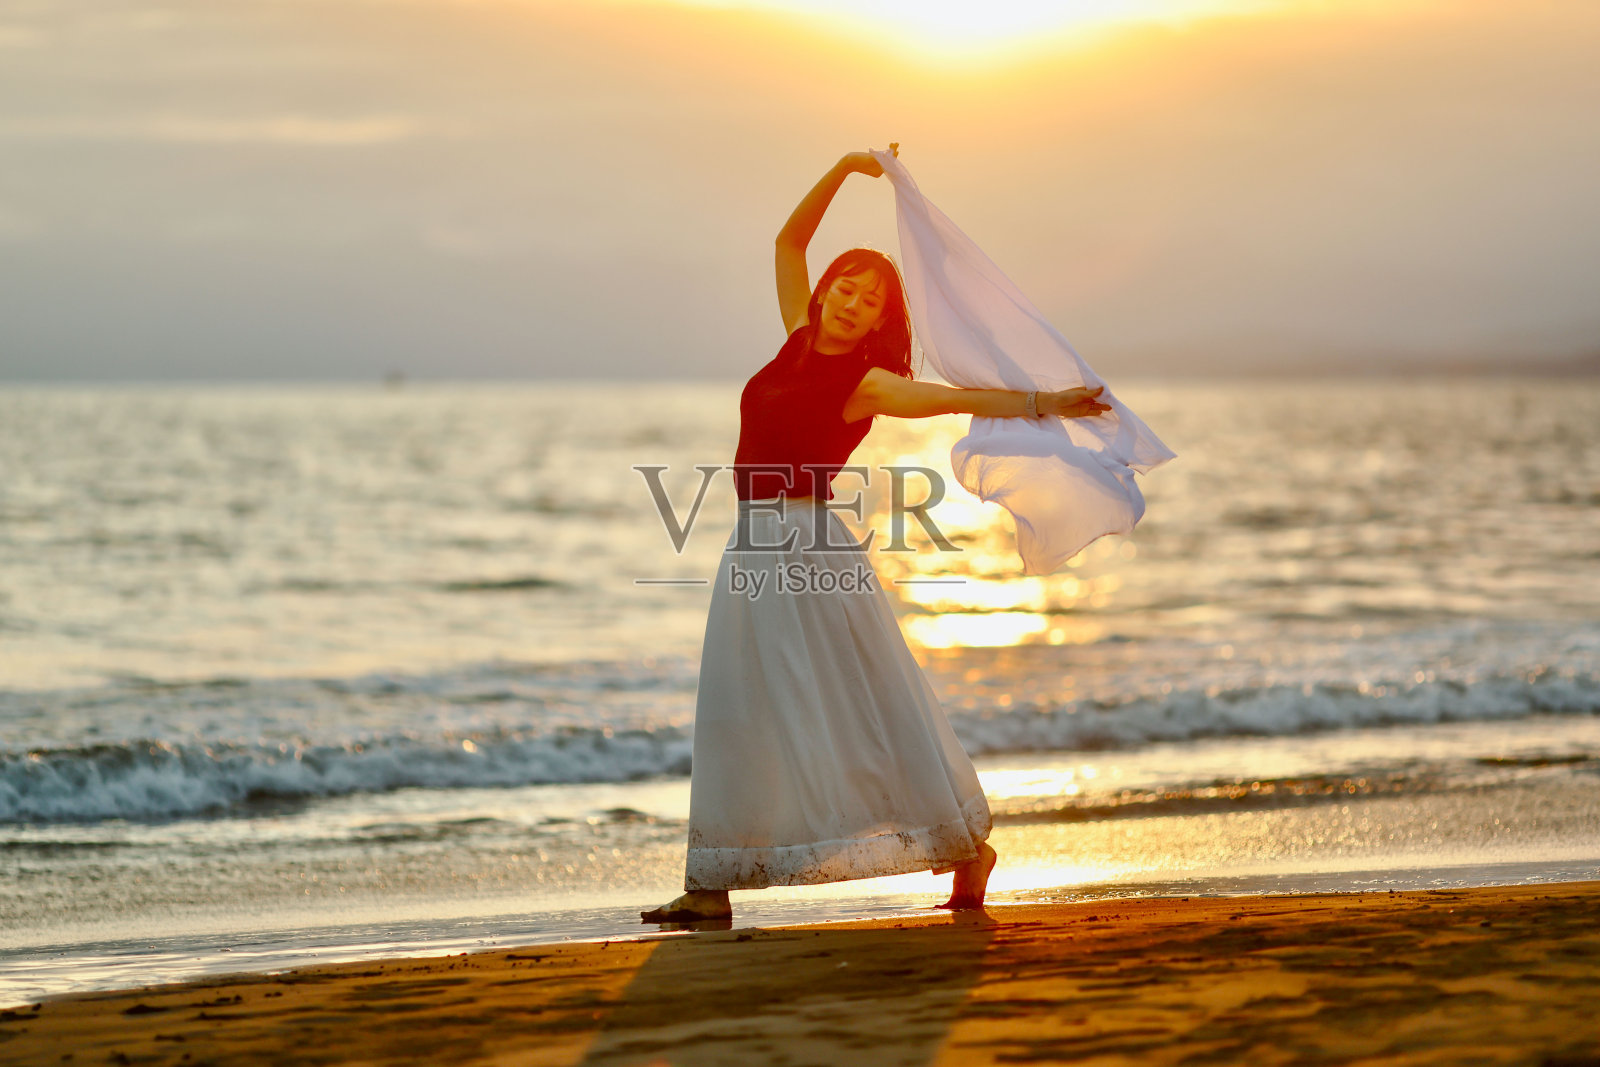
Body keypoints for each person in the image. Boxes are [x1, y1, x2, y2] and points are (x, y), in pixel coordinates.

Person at [642, 147, 1110, 924]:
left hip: (808, 545)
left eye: (870, 300)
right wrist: (845, 167)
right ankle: (710, 883)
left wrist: (1046, 403)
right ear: (824, 293)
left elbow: (954, 394)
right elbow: (788, 242)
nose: (853, 302)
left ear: (880, 320)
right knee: (734, 707)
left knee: (868, 706)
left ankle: (967, 848)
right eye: (846, 287)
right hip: (750, 545)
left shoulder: (867, 383)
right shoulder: (795, 338)